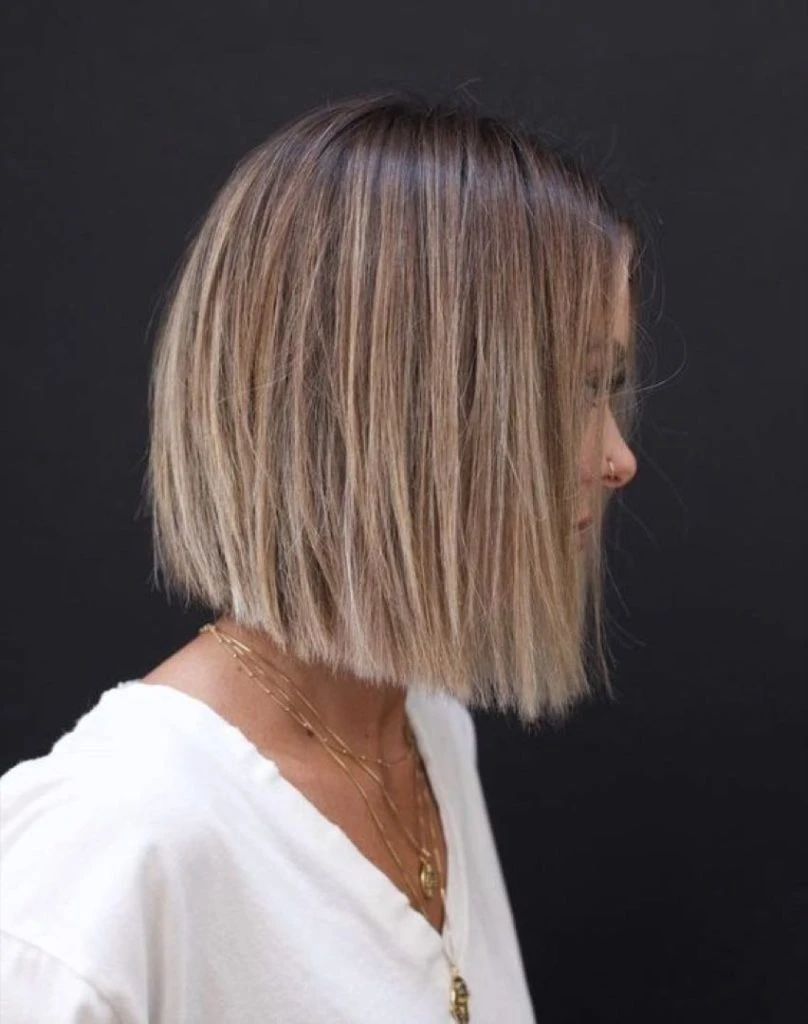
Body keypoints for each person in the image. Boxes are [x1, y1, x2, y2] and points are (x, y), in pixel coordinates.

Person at [0, 90, 640, 1023]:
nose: (618, 458)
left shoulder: (427, 733)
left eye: (608, 387)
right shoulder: (110, 850)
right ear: (401, 405)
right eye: (576, 387)